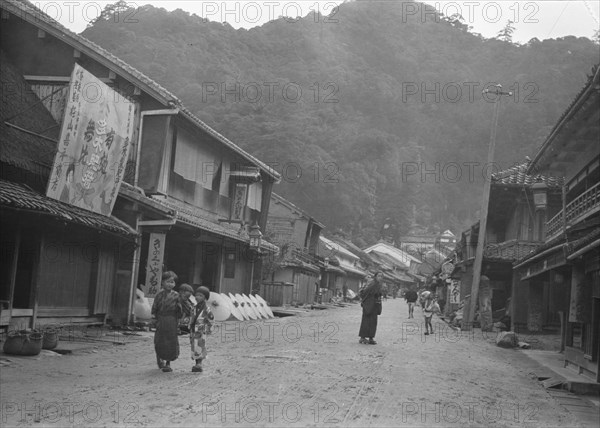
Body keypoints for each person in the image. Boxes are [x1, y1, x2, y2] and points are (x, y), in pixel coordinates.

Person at [151, 271, 182, 372]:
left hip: (172, 320)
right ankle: (160, 359)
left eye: (172, 282)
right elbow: (154, 308)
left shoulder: (177, 295)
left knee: (171, 341)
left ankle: (168, 363)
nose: (170, 284)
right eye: (168, 281)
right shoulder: (159, 295)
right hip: (161, 319)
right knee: (160, 340)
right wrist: (154, 320)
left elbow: (179, 310)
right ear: (162, 282)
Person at [190, 286, 214, 373]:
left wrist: (208, 329)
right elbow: (191, 318)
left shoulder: (207, 309)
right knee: (194, 345)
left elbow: (211, 319)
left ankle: (199, 363)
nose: (197, 297)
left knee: (200, 345)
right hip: (193, 330)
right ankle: (196, 362)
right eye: (196, 295)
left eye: (200, 295)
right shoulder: (194, 308)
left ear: (205, 298)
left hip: (201, 330)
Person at [358, 272, 383, 345]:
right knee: (366, 321)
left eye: (381, 276)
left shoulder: (378, 284)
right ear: (375, 276)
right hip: (368, 305)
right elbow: (365, 292)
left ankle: (371, 338)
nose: (380, 277)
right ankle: (362, 337)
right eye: (379, 276)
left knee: (373, 322)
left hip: (374, 305)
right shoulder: (372, 284)